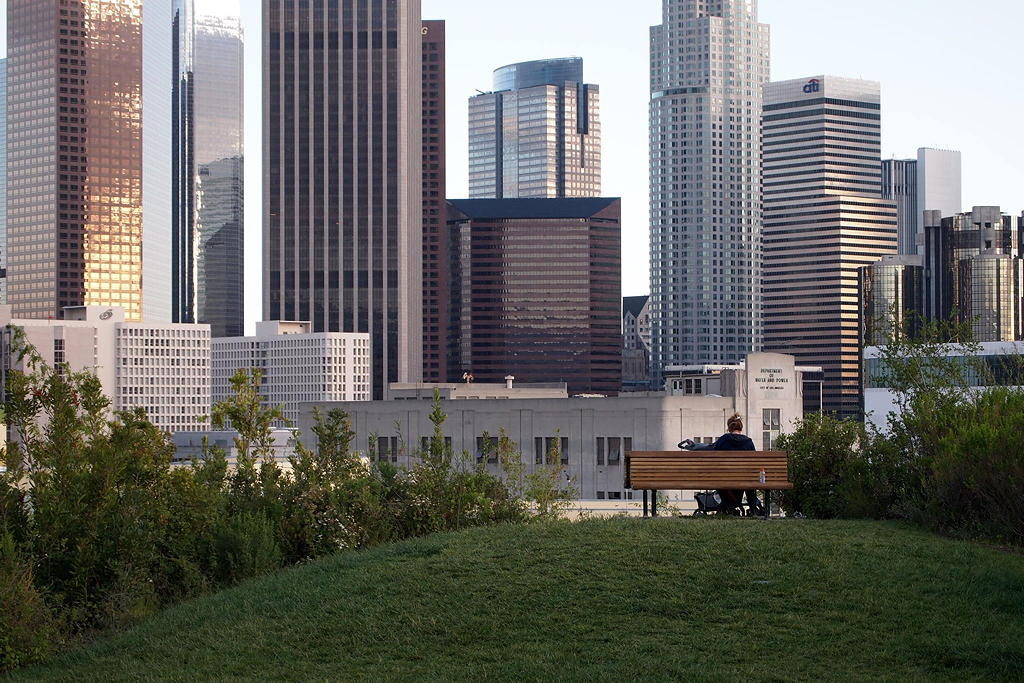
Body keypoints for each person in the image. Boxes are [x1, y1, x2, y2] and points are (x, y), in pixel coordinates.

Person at [711, 414, 765, 516]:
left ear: (729, 428)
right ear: (741, 427)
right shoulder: (748, 442)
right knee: (750, 480)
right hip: (745, 478)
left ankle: (728, 506)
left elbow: (714, 460)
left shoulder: (723, 440)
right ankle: (753, 510)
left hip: (725, 479)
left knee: (719, 479)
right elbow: (754, 463)